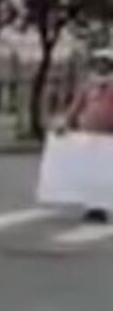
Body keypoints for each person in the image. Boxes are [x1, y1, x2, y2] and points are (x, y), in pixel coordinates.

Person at [65, 50, 113, 223]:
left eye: (105, 63)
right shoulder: (87, 86)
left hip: (108, 137)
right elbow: (76, 106)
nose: (101, 66)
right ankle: (92, 207)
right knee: (90, 174)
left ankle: (101, 207)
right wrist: (67, 123)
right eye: (98, 62)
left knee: (104, 174)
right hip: (88, 135)